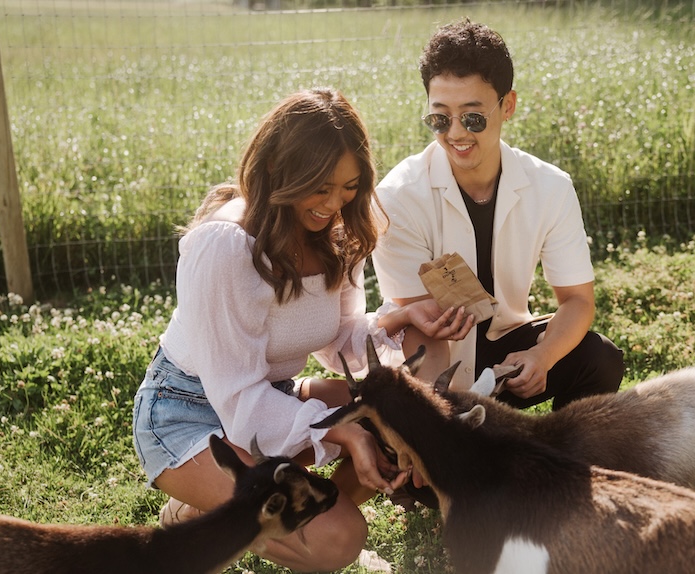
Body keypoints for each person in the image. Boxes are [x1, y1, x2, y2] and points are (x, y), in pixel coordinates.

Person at [132, 88, 469, 572]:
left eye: (349, 187)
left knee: (395, 415)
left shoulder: (335, 232)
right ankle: (233, 519)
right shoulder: (225, 247)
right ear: (277, 170)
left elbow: (338, 337)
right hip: (188, 412)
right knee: (338, 539)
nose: (334, 203)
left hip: (271, 395)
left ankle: (230, 508)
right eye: (320, 187)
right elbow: (238, 398)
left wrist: (399, 318)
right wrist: (340, 433)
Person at [372, 19, 625, 413]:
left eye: (473, 118)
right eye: (440, 118)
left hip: (506, 357)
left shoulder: (551, 187)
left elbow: (577, 300)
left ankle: (559, 449)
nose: (456, 133)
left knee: (600, 358)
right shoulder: (395, 199)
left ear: (508, 106)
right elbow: (421, 328)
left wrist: (542, 357)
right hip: (425, 369)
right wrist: (441, 413)